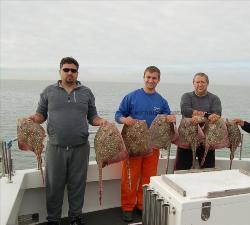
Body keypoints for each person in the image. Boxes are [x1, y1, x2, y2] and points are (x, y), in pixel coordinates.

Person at [28, 57, 108, 225]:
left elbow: (92, 116)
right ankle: (53, 219)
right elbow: (41, 114)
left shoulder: (86, 92)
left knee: (77, 185)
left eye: (73, 70)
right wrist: (34, 118)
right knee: (53, 186)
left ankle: (75, 218)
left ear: (77, 72)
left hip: (80, 148)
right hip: (55, 147)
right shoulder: (48, 91)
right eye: (66, 70)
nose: (70, 73)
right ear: (60, 72)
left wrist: (101, 121)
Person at [115, 66, 176, 222]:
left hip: (153, 145)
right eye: (148, 77)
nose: (151, 80)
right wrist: (124, 120)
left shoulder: (161, 100)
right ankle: (127, 207)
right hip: (134, 144)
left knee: (148, 177)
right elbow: (118, 115)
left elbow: (168, 116)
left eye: (154, 78)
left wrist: (171, 118)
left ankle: (143, 205)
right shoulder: (131, 97)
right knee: (130, 176)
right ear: (144, 77)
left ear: (158, 80)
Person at [174, 72, 222, 170]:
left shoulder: (214, 98)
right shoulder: (186, 96)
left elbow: (216, 115)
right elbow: (185, 111)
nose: (200, 84)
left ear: (207, 83)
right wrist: (206, 115)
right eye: (197, 82)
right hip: (186, 139)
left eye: (203, 82)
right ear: (193, 83)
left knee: (208, 171)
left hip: (207, 140)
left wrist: (198, 116)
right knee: (182, 170)